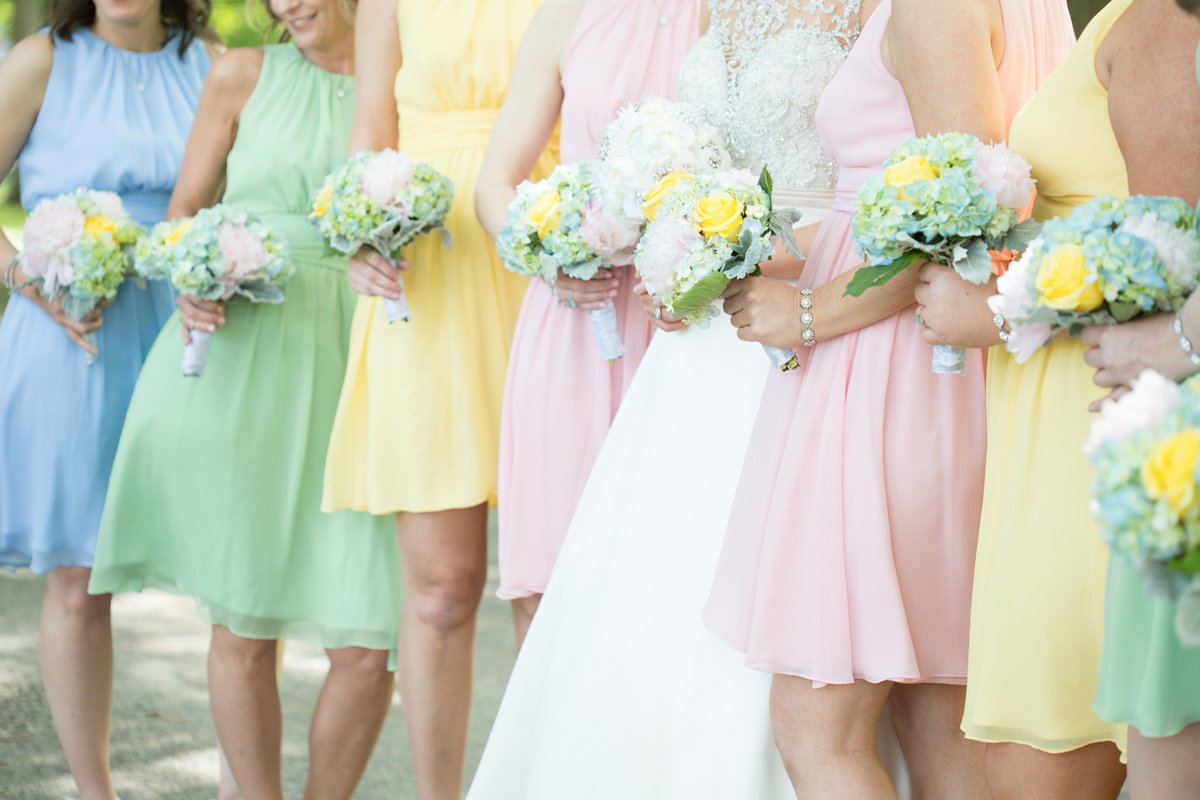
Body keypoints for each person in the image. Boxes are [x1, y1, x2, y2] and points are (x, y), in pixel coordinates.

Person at [466, 2, 865, 797]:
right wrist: (673, 251)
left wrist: (742, 252)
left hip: (792, 321)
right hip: (687, 344)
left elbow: (870, 183)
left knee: (759, 587)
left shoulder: (868, 13)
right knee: (641, 585)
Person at [707, 0, 1073, 796]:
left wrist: (809, 312)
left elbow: (971, 212)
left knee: (818, 725)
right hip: (931, 367)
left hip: (886, 370)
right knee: (939, 717)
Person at [86, 0, 402, 796]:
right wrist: (191, 276)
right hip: (244, 354)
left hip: (363, 359)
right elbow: (181, 213)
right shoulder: (242, 73)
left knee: (371, 645)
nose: (286, 5)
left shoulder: (405, 78)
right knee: (242, 620)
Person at [915, 1, 1200, 797]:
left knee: (1038, 769)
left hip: (1099, 412)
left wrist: (1005, 304)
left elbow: (1174, 255)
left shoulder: (1165, 25)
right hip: (1055, 405)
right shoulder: (1128, 16)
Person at [320, 0, 556, 795]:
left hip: (551, 261)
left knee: (549, 585)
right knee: (442, 589)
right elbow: (369, 135)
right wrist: (357, 233)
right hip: (427, 279)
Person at [0, 1, 212, 796]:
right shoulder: (41, 60)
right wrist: (28, 282)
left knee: (225, 563)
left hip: (186, 329)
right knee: (77, 577)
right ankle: (95, 790)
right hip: (69, 335)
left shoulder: (211, 62)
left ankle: (244, 778)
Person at [474, 0, 701, 645]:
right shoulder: (565, 15)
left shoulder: (736, 13)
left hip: (686, 322)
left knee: (665, 578)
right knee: (552, 583)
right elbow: (494, 184)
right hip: (578, 319)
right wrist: (552, 259)